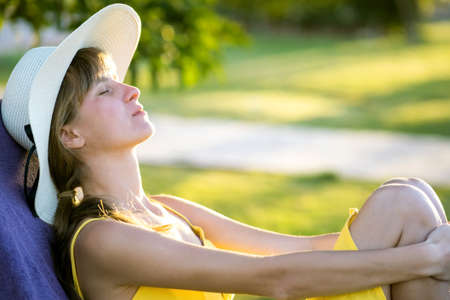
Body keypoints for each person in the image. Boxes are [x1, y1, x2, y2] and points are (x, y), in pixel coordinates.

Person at [1, 3, 449, 300]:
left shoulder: (167, 210)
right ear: (69, 136)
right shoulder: (100, 239)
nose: (133, 90)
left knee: (407, 201)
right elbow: (274, 281)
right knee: (405, 207)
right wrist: (427, 257)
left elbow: (295, 252)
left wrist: (425, 252)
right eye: (105, 91)